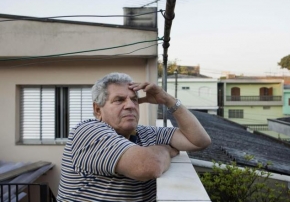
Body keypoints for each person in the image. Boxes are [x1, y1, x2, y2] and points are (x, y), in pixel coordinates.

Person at [57, 72, 211, 202]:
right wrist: (166, 149)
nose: (130, 105)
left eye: (134, 99)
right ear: (98, 110)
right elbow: (149, 166)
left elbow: (199, 141)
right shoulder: (88, 131)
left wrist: (167, 100)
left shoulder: (145, 133)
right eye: (119, 100)